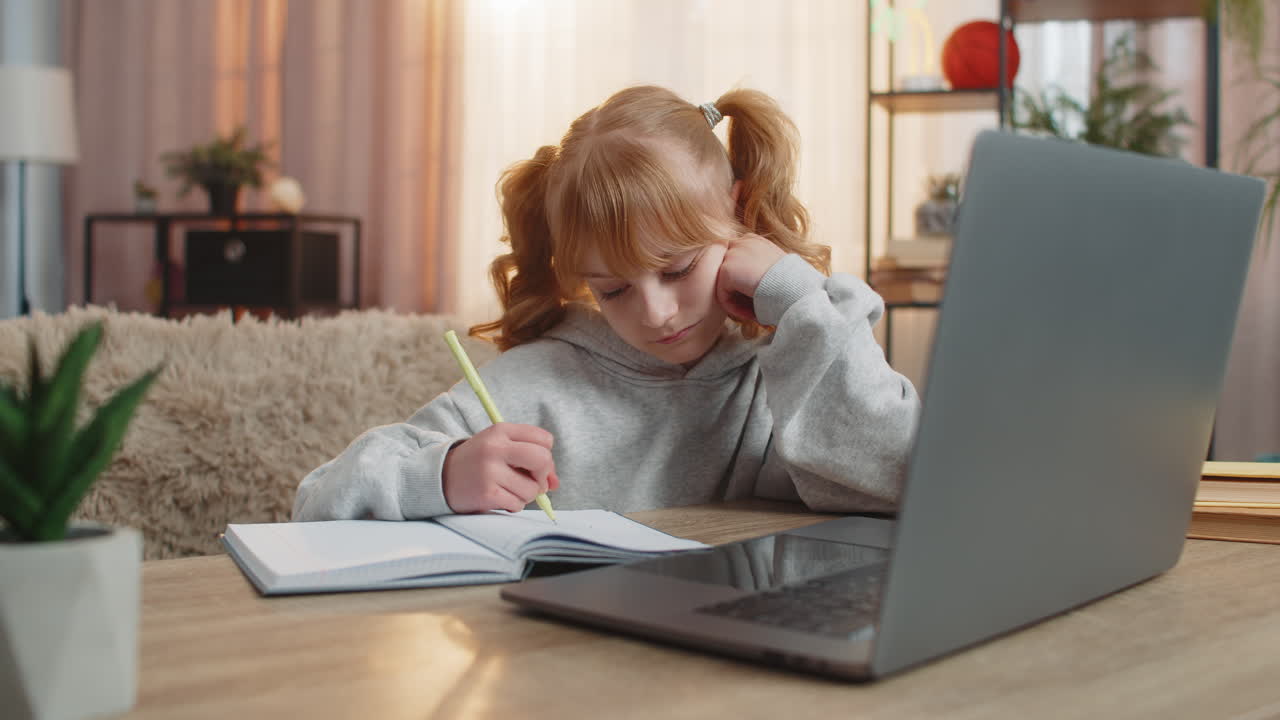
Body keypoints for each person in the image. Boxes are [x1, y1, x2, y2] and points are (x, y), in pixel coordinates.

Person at [293, 85, 920, 522]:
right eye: (612, 289)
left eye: (677, 269)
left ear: (738, 210)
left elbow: (903, 478)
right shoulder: (533, 385)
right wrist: (443, 475)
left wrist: (798, 297)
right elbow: (315, 501)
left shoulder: (791, 362)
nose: (655, 313)